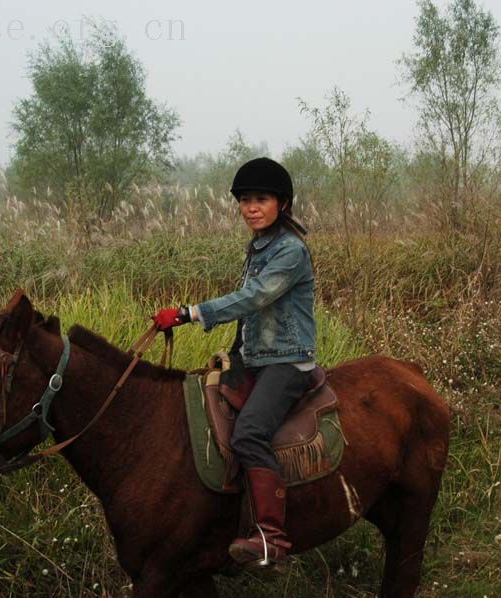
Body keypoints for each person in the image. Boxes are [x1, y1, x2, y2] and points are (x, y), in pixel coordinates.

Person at [151, 157, 316, 567]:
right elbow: (252, 315)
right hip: (256, 359)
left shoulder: (291, 251)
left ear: (283, 202)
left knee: (248, 435)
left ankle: (272, 538)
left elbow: (254, 298)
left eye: (260, 199)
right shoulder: (258, 247)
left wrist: (190, 312)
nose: (251, 207)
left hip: (287, 362)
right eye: (244, 200)